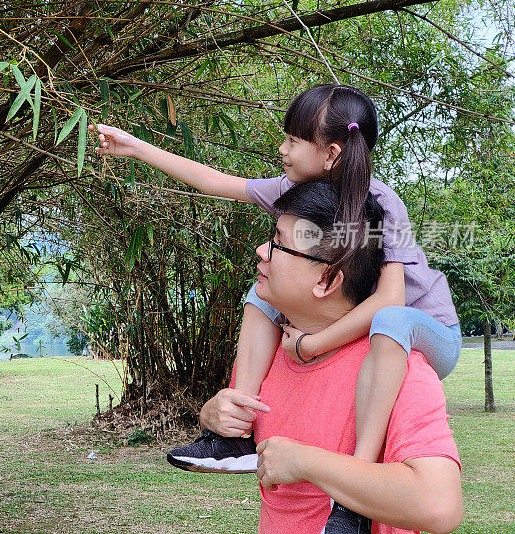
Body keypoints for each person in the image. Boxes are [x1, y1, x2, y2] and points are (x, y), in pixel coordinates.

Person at [93, 84, 462, 532]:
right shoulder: (296, 195)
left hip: (426, 326)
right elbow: (215, 181)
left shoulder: (381, 205)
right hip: (360, 321)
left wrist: (312, 343)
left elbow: (391, 301)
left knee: (391, 322)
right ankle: (234, 435)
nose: (282, 149)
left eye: (292, 139)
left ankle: (354, 500)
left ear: (330, 153)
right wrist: (136, 148)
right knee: (258, 294)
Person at [198, 180, 462, 534]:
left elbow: (439, 506)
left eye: (278, 243)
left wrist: (305, 462)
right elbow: (244, 428)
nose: (262, 251)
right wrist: (213, 414)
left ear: (326, 280)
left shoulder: (398, 367)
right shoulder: (271, 351)